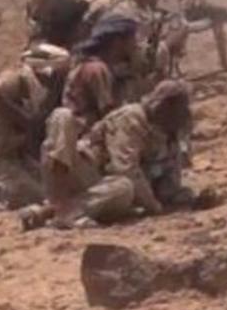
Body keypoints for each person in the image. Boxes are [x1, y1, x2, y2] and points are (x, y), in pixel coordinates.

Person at [0, 1, 87, 209]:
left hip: (12, 158)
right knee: (34, 197)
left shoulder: (48, 84)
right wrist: (26, 122)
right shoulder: (24, 76)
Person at [23, 79, 195, 230]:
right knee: (62, 116)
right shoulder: (132, 118)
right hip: (80, 168)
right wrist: (153, 206)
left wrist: (178, 195)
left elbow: (169, 178)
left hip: (100, 186)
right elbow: (125, 167)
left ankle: (55, 211)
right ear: (165, 105)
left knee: (123, 189)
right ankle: (65, 209)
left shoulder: (168, 133)